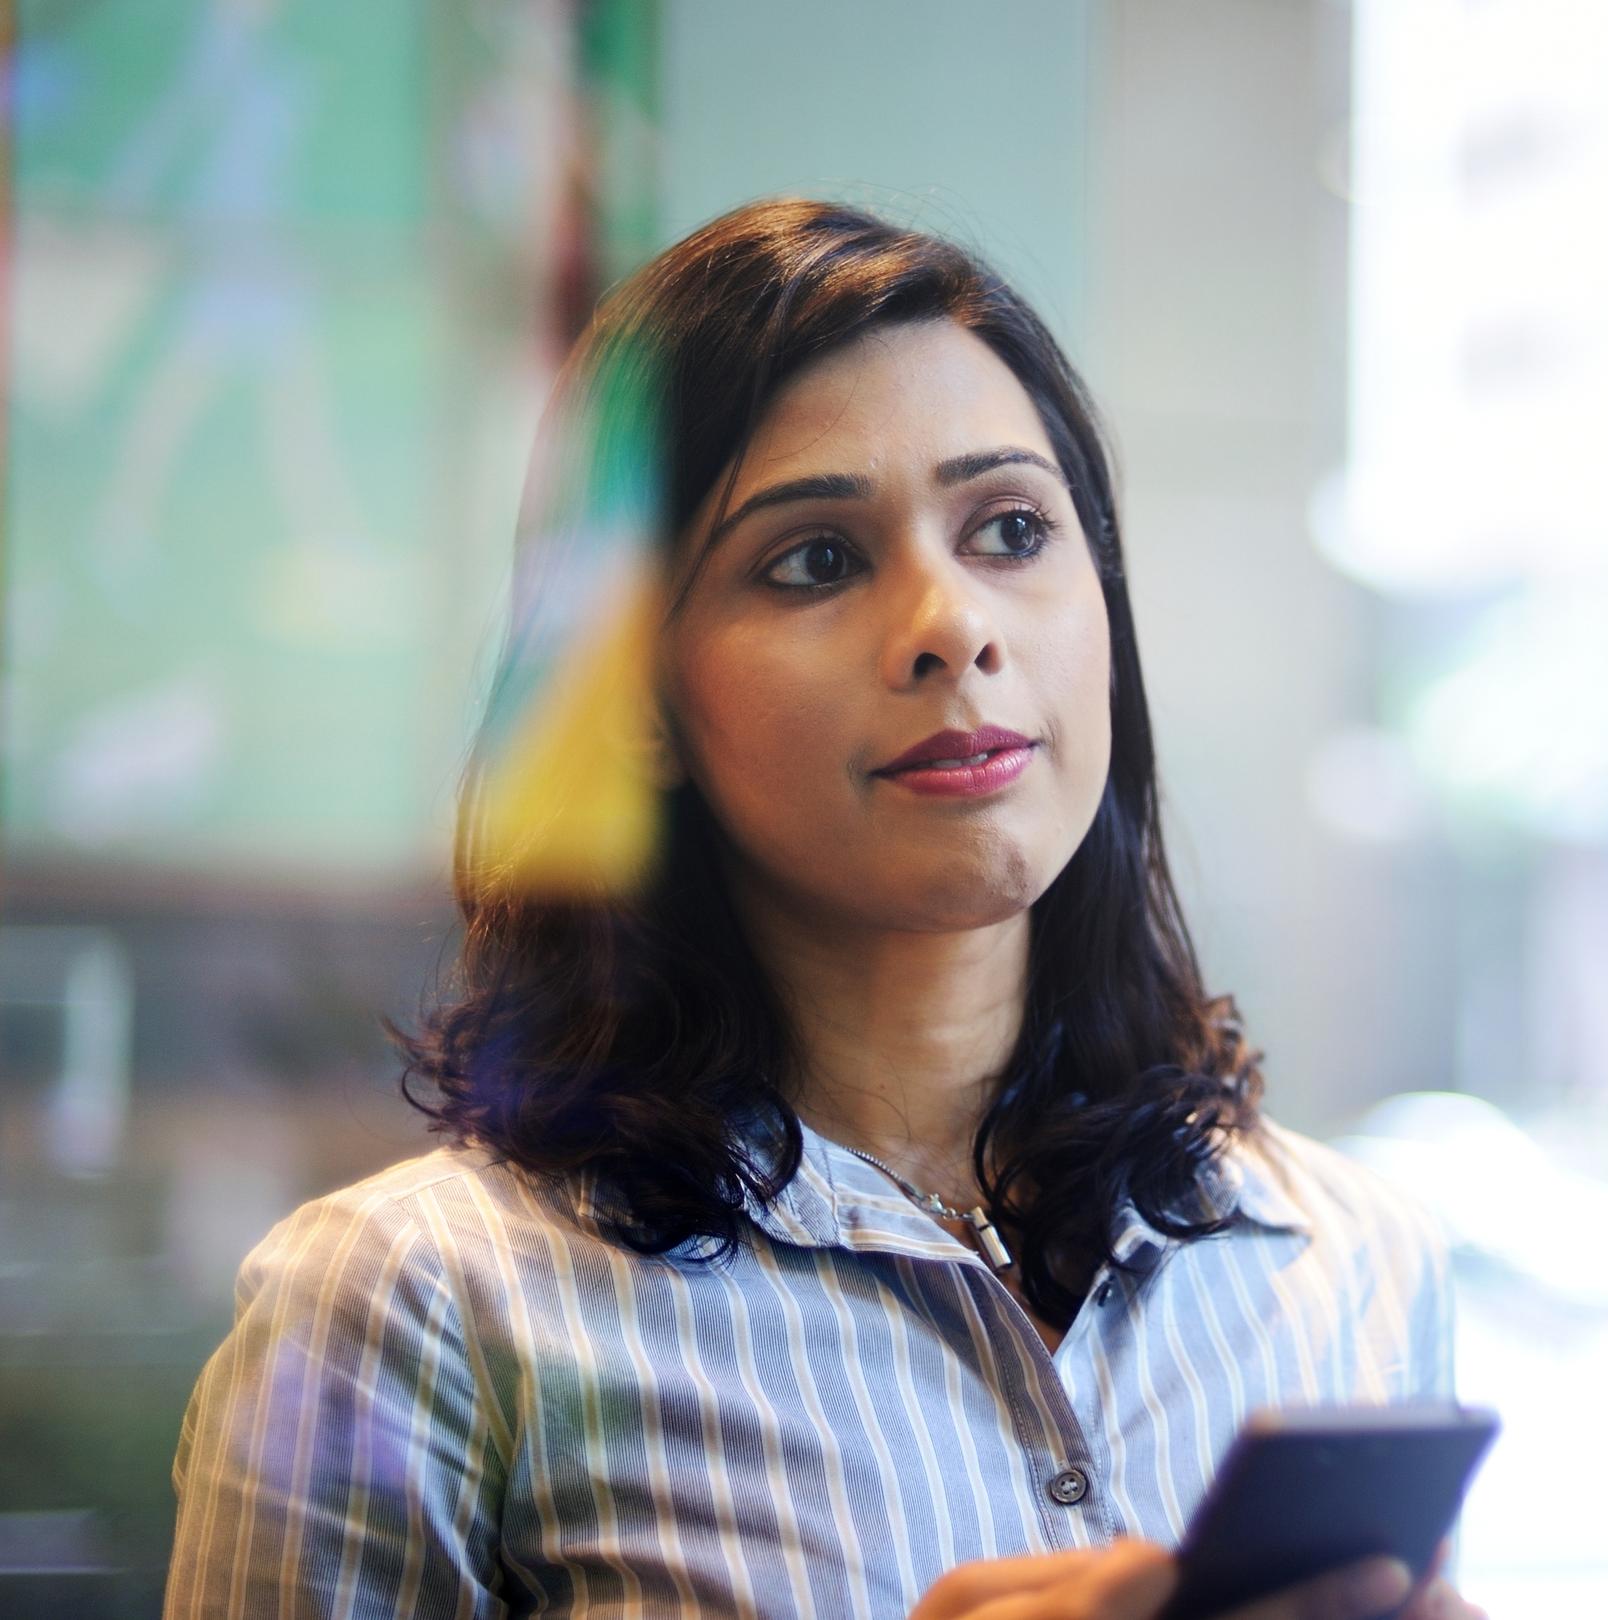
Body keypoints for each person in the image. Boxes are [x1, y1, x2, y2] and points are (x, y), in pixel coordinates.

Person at [164, 198, 1480, 1620]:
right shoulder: (417, 1307)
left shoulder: (1352, 1262)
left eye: (1012, 529)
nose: (951, 626)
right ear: (637, 693)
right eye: (816, 560)